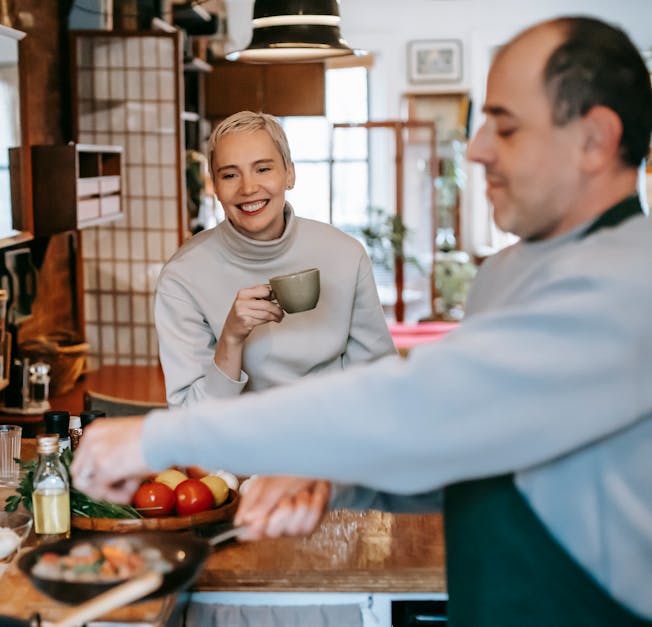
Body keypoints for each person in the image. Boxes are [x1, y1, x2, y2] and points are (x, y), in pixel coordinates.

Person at [72, 15, 652, 626]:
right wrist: (328, 478)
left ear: (594, 140)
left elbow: (422, 400)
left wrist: (158, 438)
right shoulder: (507, 274)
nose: (477, 149)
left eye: (504, 127)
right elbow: (461, 453)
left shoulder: (629, 284)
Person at [156, 111, 395, 407]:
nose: (248, 188)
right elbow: (187, 418)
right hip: (240, 448)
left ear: (290, 174)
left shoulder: (345, 254)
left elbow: (378, 379)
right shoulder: (183, 276)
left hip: (333, 440)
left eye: (263, 169)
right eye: (230, 175)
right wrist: (231, 338)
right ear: (215, 187)